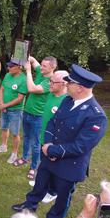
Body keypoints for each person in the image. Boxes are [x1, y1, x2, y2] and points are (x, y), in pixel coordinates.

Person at [12, 64, 108, 218]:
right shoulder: (68, 101)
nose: (66, 85)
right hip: (50, 154)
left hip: (69, 165)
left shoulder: (96, 116)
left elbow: (80, 147)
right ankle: (30, 205)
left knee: (62, 197)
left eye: (69, 83)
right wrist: (48, 145)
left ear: (80, 88)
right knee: (40, 183)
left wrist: (51, 150)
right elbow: (51, 122)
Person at [13, 56, 56, 180]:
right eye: (41, 65)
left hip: (38, 116)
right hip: (27, 112)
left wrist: (28, 71)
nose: (41, 67)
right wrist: (21, 57)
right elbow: (31, 59)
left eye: (44, 66)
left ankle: (34, 167)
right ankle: (25, 158)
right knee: (26, 138)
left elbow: (31, 89)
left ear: (53, 68)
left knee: (36, 143)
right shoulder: (41, 72)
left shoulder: (50, 82)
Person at [29, 70, 69, 203]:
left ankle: (52, 192)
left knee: (53, 167)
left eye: (52, 82)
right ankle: (41, 185)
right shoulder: (52, 94)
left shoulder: (66, 101)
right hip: (45, 137)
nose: (49, 84)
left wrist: (53, 144)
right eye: (50, 81)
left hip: (54, 142)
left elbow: (65, 127)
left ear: (64, 84)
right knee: (44, 165)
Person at [0, 60, 27, 164]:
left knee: (15, 133)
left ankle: (14, 153)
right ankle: (4, 146)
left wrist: (5, 105)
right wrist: (1, 103)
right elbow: (1, 89)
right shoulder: (7, 76)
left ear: (19, 67)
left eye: (11, 67)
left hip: (15, 110)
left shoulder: (24, 80)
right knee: (4, 127)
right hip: (4, 108)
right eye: (9, 66)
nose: (8, 68)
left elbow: (20, 98)